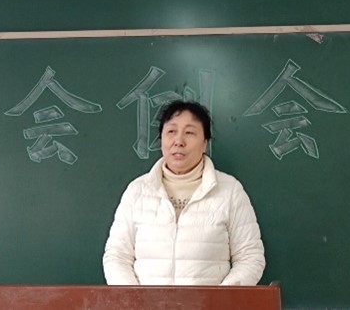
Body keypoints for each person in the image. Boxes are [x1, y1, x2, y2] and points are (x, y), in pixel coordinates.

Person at [103, 100, 265, 286]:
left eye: (189, 133)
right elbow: (117, 256)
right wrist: (134, 299)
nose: (178, 141)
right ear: (161, 140)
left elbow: (250, 257)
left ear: (204, 143)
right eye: (171, 131)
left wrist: (219, 299)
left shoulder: (230, 190)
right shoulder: (137, 191)